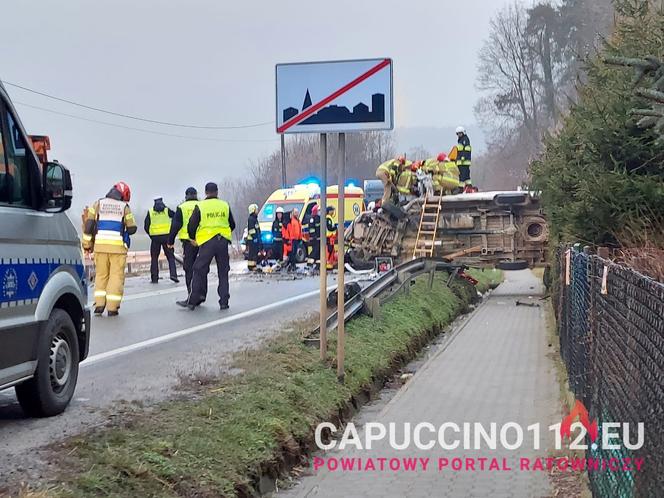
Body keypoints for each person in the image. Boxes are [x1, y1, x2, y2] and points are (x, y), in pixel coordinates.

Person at [177, 182, 235, 311]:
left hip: (207, 242)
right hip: (222, 241)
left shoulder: (201, 206)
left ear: (205, 192)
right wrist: (223, 233)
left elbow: (192, 224)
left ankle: (192, 301)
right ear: (217, 192)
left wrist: (193, 238)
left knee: (198, 269)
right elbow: (232, 224)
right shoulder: (224, 205)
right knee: (223, 272)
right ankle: (224, 301)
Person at [82, 182, 137, 317]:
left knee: (101, 275)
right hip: (118, 249)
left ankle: (99, 305)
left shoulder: (98, 204)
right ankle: (112, 308)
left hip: (100, 247)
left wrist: (87, 245)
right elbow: (132, 228)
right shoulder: (124, 207)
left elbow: (88, 226)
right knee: (115, 277)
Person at [167, 187, 199, 294]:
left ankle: (191, 294)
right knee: (200, 268)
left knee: (189, 268)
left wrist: (170, 242)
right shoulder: (202, 206)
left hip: (189, 242)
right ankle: (200, 293)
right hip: (203, 241)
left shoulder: (182, 207)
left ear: (186, 196)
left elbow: (175, 226)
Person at [144, 197, 178, 283]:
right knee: (170, 257)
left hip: (155, 238)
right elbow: (176, 217)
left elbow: (146, 226)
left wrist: (151, 234)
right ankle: (173, 275)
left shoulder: (151, 211)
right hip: (167, 237)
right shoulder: (166, 210)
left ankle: (154, 278)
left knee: (154, 258)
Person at [284, 207, 303, 271]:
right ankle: (292, 265)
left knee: (294, 253)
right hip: (293, 239)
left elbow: (299, 230)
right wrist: (290, 239)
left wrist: (300, 238)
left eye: (297, 212)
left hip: (297, 239)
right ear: (292, 213)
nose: (296, 213)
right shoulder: (292, 221)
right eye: (295, 212)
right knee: (292, 253)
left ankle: (292, 265)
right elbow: (290, 231)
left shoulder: (298, 220)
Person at [246, 203, 261, 271]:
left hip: (254, 239)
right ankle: (251, 266)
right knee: (252, 253)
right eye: (256, 210)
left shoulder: (254, 219)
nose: (257, 211)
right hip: (252, 239)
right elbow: (251, 230)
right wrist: (255, 237)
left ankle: (254, 265)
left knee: (255, 253)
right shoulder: (251, 219)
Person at [307, 204, 321, 271]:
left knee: (319, 252)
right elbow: (311, 229)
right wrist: (314, 236)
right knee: (314, 251)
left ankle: (318, 265)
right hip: (314, 239)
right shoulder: (312, 219)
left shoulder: (320, 218)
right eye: (319, 210)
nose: (320, 212)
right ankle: (309, 264)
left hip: (319, 239)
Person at [326, 206, 338, 270]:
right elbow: (330, 228)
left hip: (331, 237)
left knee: (331, 249)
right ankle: (328, 263)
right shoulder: (328, 218)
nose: (333, 212)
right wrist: (336, 227)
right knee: (329, 250)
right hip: (329, 237)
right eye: (332, 210)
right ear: (329, 211)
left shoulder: (330, 218)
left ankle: (330, 263)